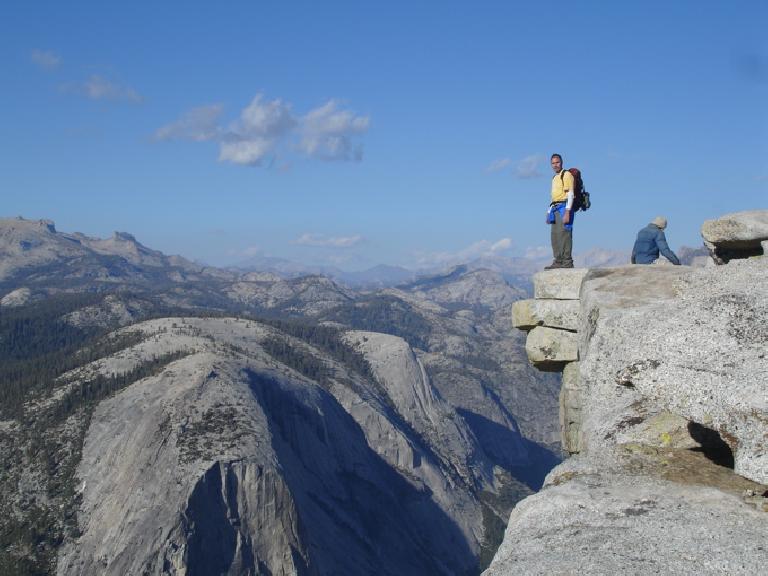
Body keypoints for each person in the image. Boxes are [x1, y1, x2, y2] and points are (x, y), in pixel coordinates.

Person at [545, 153, 574, 269]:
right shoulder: (555, 178)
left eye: (557, 162)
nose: (555, 165)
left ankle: (567, 261)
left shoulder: (566, 175)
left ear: (561, 162)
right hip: (555, 207)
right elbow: (553, 196)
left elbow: (570, 194)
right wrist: (548, 212)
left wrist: (567, 211)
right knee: (555, 235)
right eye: (553, 163)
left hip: (564, 206)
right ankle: (558, 260)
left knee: (564, 234)